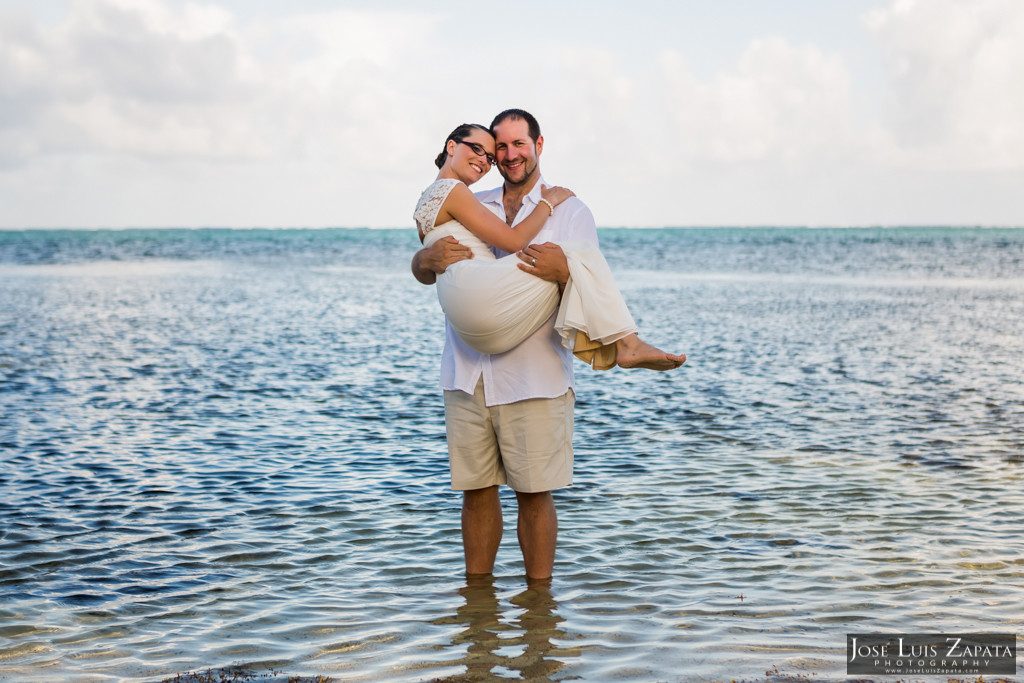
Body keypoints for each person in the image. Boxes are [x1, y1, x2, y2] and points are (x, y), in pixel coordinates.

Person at [412, 109, 685, 581]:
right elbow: (438, 265)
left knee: (535, 494)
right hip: (467, 367)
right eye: (499, 146)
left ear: (539, 146)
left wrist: (562, 269)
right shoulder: (473, 200)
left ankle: (539, 613)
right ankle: (479, 610)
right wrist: (422, 259)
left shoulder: (571, 210)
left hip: (533, 374)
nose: (507, 154)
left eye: (518, 143)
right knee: (475, 492)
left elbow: (576, 279)